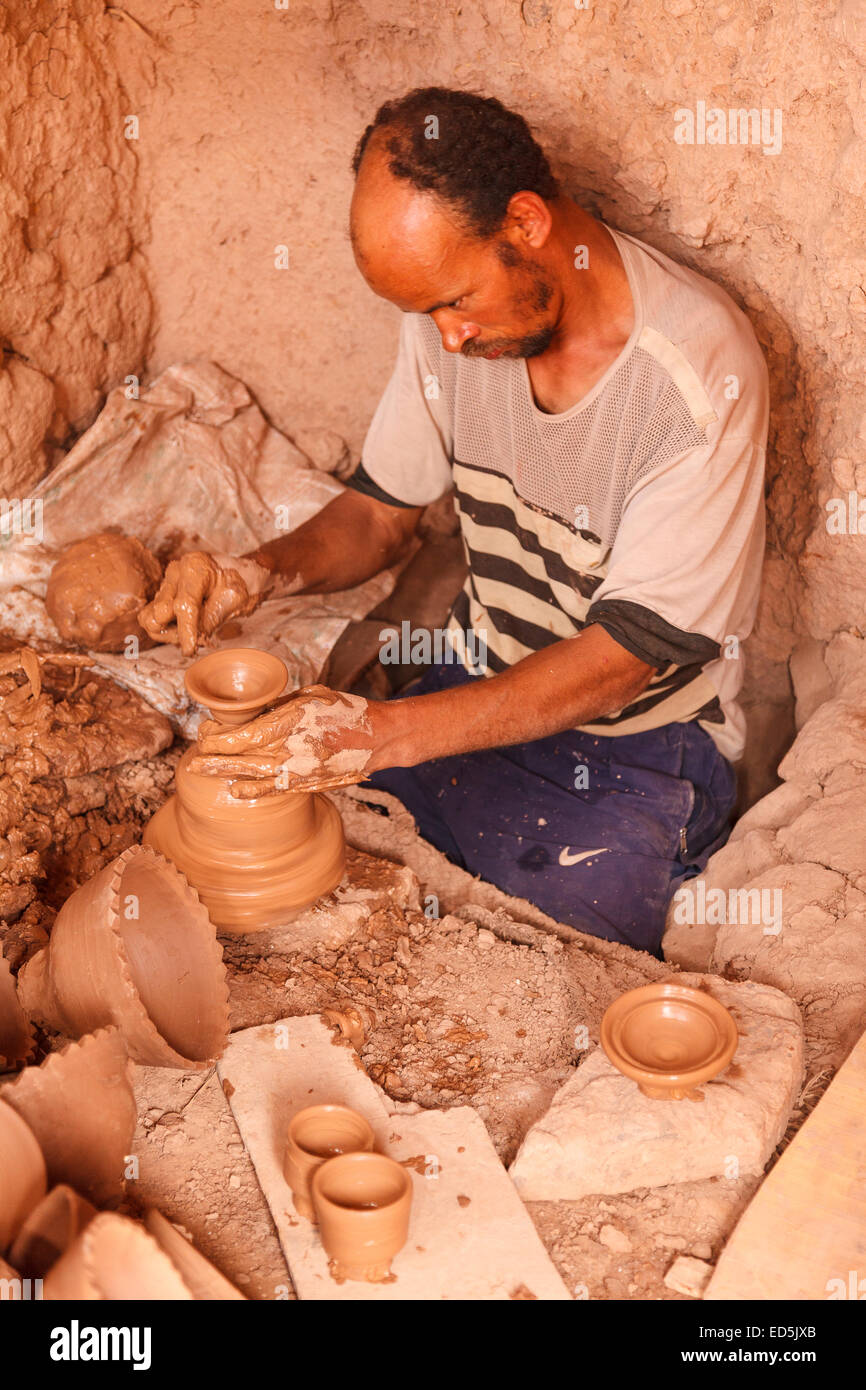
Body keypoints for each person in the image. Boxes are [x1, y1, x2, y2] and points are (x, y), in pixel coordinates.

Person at [142, 88, 769, 954]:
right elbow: (378, 516)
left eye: (455, 301)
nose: (447, 341)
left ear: (525, 222)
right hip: (469, 680)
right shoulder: (457, 324)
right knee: (339, 859)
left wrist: (382, 733)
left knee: (549, 944)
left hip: (638, 747)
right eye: (423, 313)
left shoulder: (695, 377)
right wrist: (253, 572)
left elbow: (619, 664)